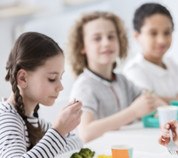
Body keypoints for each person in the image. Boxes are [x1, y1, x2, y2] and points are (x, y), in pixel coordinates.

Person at [0, 32, 83, 158]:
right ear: (23, 78)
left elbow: (77, 142)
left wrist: (48, 145)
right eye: (52, 78)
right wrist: (58, 132)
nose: (60, 87)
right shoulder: (7, 120)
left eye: (61, 77)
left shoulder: (31, 119)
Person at [68, 11, 165, 143]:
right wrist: (133, 112)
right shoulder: (84, 86)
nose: (106, 43)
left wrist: (157, 104)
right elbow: (86, 133)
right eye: (97, 38)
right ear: (82, 47)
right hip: (99, 157)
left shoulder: (121, 80)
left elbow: (146, 98)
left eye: (111, 36)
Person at [123, 3, 178, 105]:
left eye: (167, 32)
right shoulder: (134, 70)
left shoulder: (170, 64)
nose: (161, 40)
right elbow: (148, 102)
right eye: (153, 33)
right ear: (136, 36)